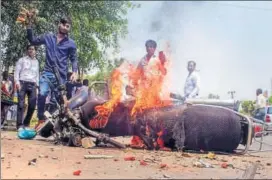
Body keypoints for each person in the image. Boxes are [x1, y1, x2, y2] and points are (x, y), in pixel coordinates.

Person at [26, 16, 78, 129]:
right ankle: (40, 118)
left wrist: (74, 71)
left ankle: (51, 125)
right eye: (63, 24)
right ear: (59, 24)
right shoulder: (48, 37)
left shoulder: (71, 43)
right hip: (47, 72)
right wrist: (29, 26)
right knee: (42, 93)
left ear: (69, 28)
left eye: (67, 26)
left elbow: (74, 59)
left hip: (61, 77)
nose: (65, 27)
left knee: (56, 102)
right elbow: (33, 40)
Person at [14, 45, 39, 129]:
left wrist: (37, 86)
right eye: (29, 49)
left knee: (32, 105)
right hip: (22, 83)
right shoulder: (22, 60)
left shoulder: (37, 62)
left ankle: (26, 123)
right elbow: (17, 72)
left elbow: (37, 74)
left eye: (33, 49)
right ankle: (19, 125)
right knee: (21, 104)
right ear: (27, 50)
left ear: (35, 51)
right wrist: (17, 82)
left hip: (33, 84)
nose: (31, 50)